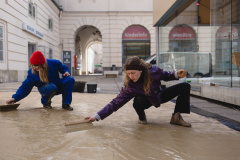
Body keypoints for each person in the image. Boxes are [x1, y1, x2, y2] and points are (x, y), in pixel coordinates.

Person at [86, 56, 191, 127]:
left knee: (185, 86)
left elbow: (165, 75)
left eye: (133, 73)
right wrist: (96, 116)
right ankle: (142, 117)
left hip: (158, 96)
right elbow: (115, 103)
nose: (131, 76)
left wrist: (177, 74)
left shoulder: (153, 71)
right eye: (128, 74)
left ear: (140, 70)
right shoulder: (130, 86)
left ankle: (176, 117)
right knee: (137, 101)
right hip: (145, 101)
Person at [6, 51, 75, 111]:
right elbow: (25, 87)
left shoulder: (54, 63)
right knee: (50, 87)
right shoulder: (32, 73)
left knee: (70, 79)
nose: (35, 67)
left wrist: (65, 72)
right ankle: (46, 103)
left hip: (57, 84)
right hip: (46, 89)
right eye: (33, 65)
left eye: (37, 65)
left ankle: (66, 104)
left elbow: (63, 68)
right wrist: (15, 98)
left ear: (43, 64)